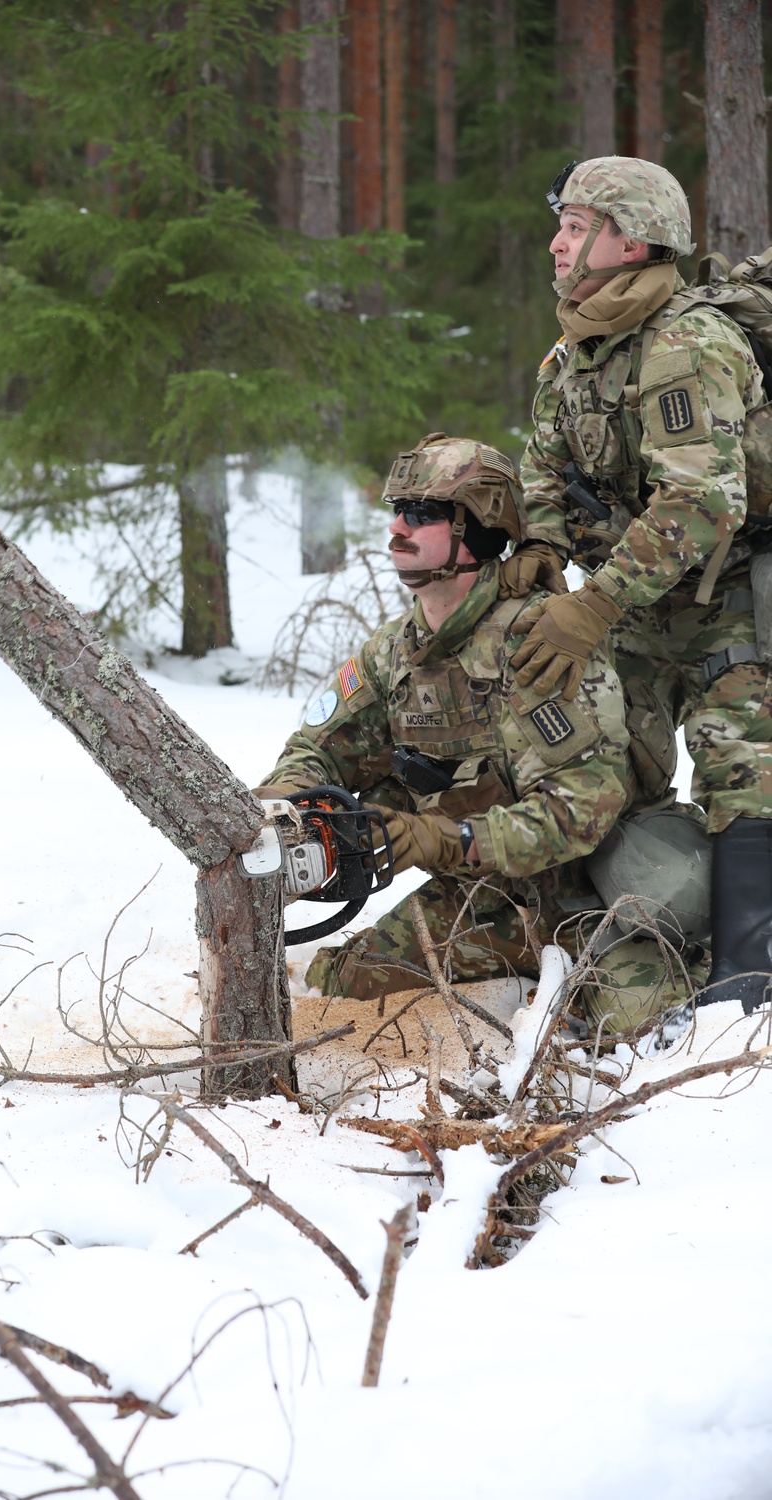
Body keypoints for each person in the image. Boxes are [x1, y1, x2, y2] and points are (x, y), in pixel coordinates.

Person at [256, 433, 705, 1036]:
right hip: (483, 903)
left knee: (631, 1026)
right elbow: (316, 749)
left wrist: (441, 840)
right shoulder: (395, 653)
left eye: (422, 513)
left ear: (479, 529)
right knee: (340, 987)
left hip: (591, 902)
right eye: (395, 509)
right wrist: (292, 811)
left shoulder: (541, 644)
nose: (397, 527)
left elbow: (579, 814)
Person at [512, 155, 772, 1013]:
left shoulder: (687, 343)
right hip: (637, 596)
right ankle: (640, 938)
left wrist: (591, 604)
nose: (557, 243)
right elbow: (544, 464)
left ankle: (746, 984)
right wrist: (546, 544)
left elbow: (703, 501)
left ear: (631, 243)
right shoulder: (578, 345)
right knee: (608, 761)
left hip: (734, 591)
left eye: (578, 228)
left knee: (745, 768)